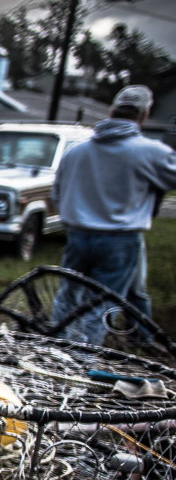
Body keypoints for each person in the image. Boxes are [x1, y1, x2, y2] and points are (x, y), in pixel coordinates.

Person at [51, 84, 176, 345]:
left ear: (111, 111)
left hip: (78, 235)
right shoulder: (152, 152)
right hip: (119, 239)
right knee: (105, 302)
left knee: (69, 294)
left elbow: (57, 195)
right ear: (143, 114)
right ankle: (82, 357)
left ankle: (56, 344)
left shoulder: (76, 151)